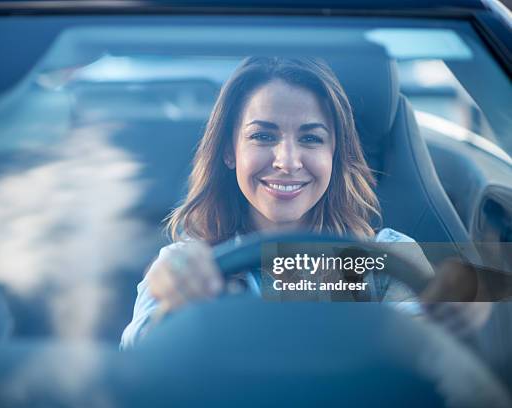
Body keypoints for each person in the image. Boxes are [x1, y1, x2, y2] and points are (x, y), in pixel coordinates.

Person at [120, 57, 486, 350]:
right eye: (263, 135)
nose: (288, 161)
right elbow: (137, 372)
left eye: (311, 138)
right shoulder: (186, 267)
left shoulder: (389, 256)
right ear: (230, 151)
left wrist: (457, 318)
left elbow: (429, 365)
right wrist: (171, 309)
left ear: (335, 154)